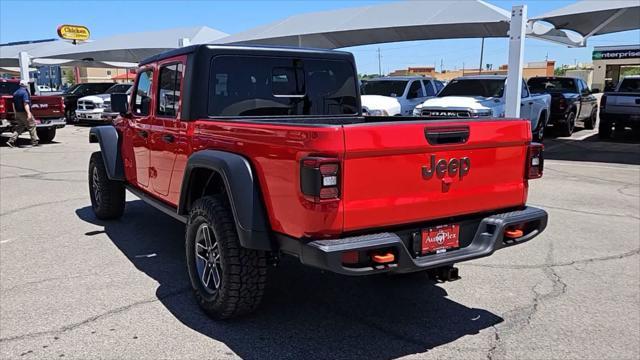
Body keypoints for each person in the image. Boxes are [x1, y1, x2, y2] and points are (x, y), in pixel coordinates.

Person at [7, 80, 38, 148]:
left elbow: (13, 104)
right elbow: (25, 103)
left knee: (20, 126)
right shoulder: (24, 93)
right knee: (32, 125)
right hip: (24, 112)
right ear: (26, 85)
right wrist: (29, 113)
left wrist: (15, 113)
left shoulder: (15, 93)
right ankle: (34, 141)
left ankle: (11, 141)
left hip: (18, 112)